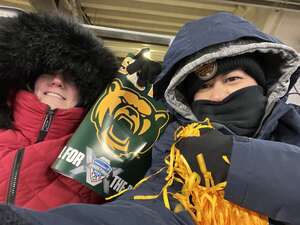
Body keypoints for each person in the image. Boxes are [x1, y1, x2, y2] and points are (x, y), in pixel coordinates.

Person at [1, 12, 300, 225]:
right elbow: (146, 212)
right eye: (205, 86)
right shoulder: (175, 152)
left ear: (262, 85)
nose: (219, 94)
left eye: (232, 79)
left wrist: (237, 162)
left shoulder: (293, 128)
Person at [0, 12, 119, 210]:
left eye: (72, 78)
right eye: (49, 71)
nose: (57, 81)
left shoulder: (99, 161)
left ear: (86, 94)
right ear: (31, 78)